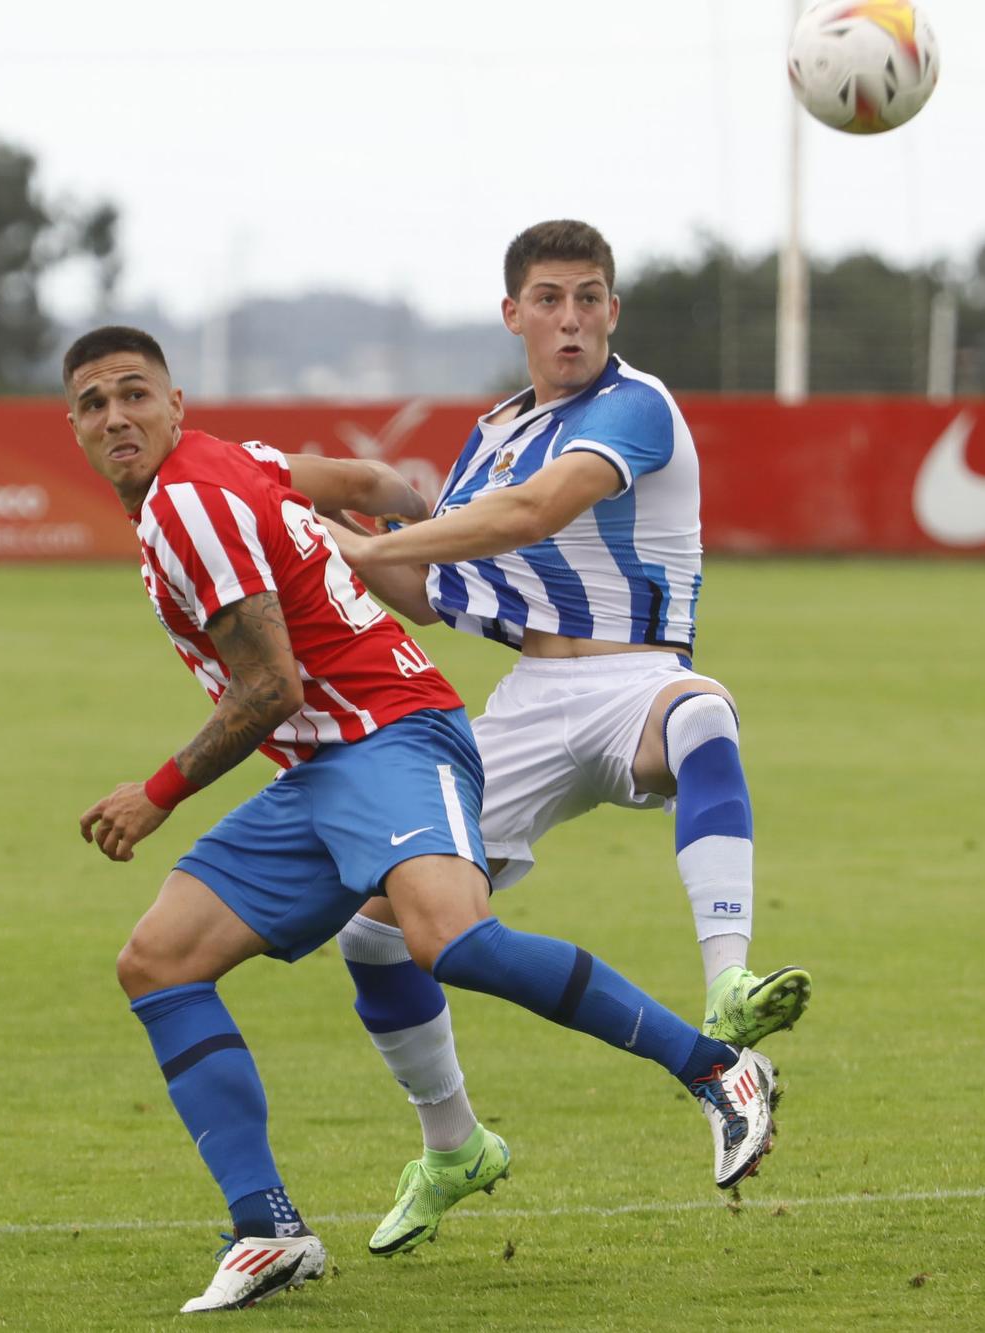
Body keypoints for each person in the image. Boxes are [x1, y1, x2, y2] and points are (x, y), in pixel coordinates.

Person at [69, 324, 777, 1314]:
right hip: (324, 766)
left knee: (452, 940)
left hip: (390, 736)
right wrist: (419, 514)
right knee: (158, 963)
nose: (116, 417)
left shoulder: (188, 503)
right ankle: (267, 1228)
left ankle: (717, 1068)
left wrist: (155, 793)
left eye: (134, 394)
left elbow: (269, 685)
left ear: (172, 404)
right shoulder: (236, 459)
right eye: (94, 404)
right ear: (77, 429)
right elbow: (363, 479)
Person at [314, 220, 813, 1256]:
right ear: (512, 315)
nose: (570, 316)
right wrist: (321, 538)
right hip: (528, 699)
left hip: (635, 676)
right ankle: (452, 1143)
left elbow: (532, 514)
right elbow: (430, 588)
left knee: (703, 713)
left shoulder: (634, 405)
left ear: (611, 312)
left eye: (588, 296)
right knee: (374, 930)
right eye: (548, 297)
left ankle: (727, 985)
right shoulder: (492, 432)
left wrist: (375, 540)